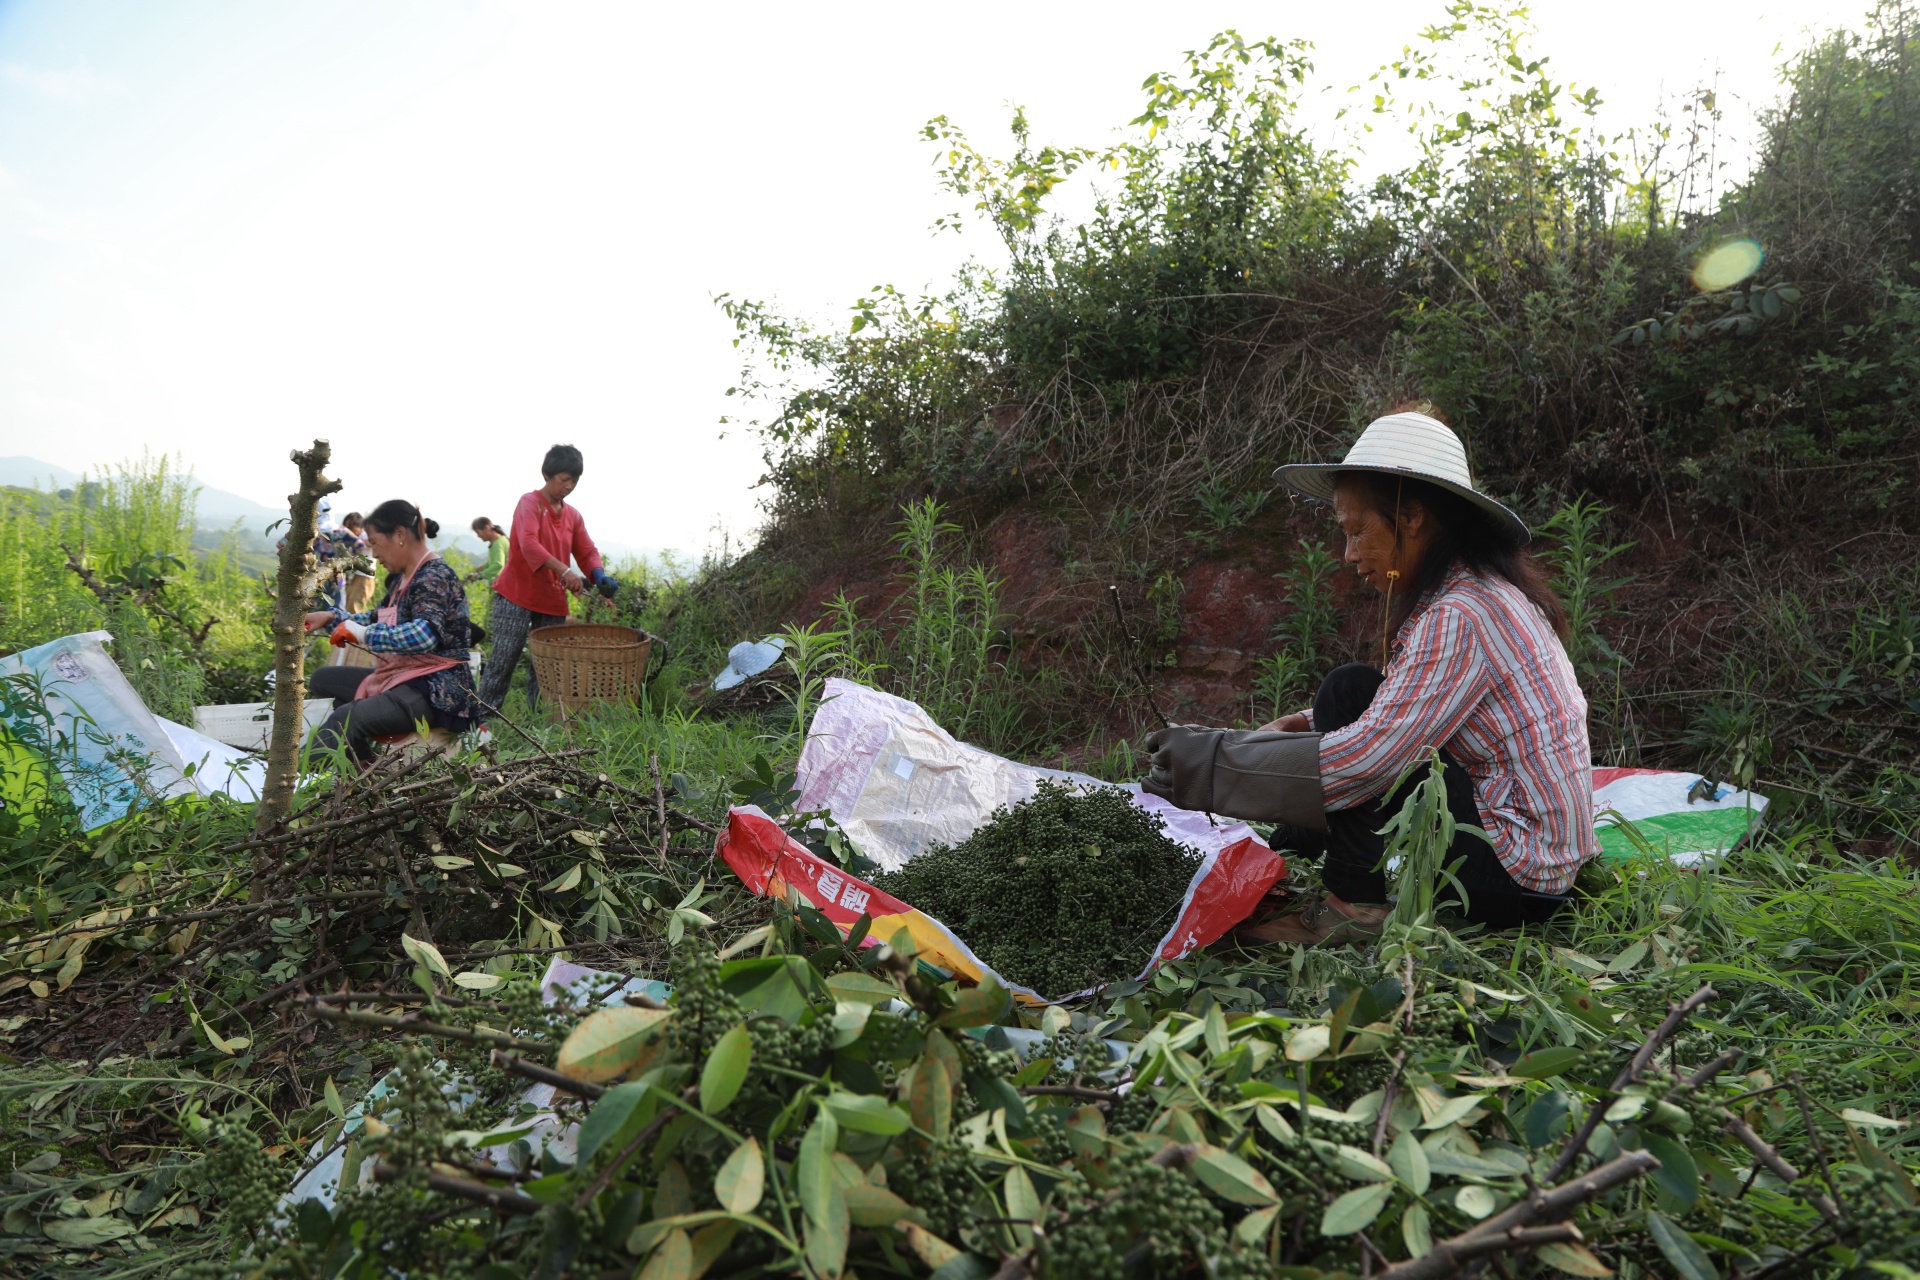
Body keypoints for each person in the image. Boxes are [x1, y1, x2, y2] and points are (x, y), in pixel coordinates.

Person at [1142, 406, 1595, 943]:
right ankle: (1283, 855)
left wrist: (1209, 764)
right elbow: (1416, 704)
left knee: (1349, 697)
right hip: (1538, 866)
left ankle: (1353, 905)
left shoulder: (1461, 614)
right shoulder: (1479, 594)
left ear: (1411, 517)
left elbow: (1370, 761)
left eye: (1357, 531)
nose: (1349, 554)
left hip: (1514, 874)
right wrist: (1304, 726)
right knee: (1352, 696)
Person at [303, 500, 481, 762]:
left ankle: (304, 785)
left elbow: (424, 635)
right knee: (323, 679)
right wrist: (331, 616)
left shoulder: (434, 576)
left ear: (399, 535)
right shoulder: (403, 579)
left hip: (435, 689)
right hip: (405, 676)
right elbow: (376, 616)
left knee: (346, 718)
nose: (373, 554)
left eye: (374, 542)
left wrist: (362, 634)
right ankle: (363, 767)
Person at [476, 444, 619, 710]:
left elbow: (587, 551)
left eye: (574, 481)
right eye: (564, 479)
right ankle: (483, 719)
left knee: (545, 667)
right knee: (504, 659)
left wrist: (599, 575)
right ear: (547, 474)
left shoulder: (573, 516)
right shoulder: (529, 504)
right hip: (516, 594)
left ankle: (538, 719)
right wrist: (565, 571)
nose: (569, 486)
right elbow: (529, 544)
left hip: (551, 599)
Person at [471, 516, 510, 585]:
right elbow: (492, 562)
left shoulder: (498, 544)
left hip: (502, 587)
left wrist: (480, 575)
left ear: (486, 528)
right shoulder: (501, 540)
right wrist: (480, 569)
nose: (478, 536)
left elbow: (498, 564)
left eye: (478, 532)